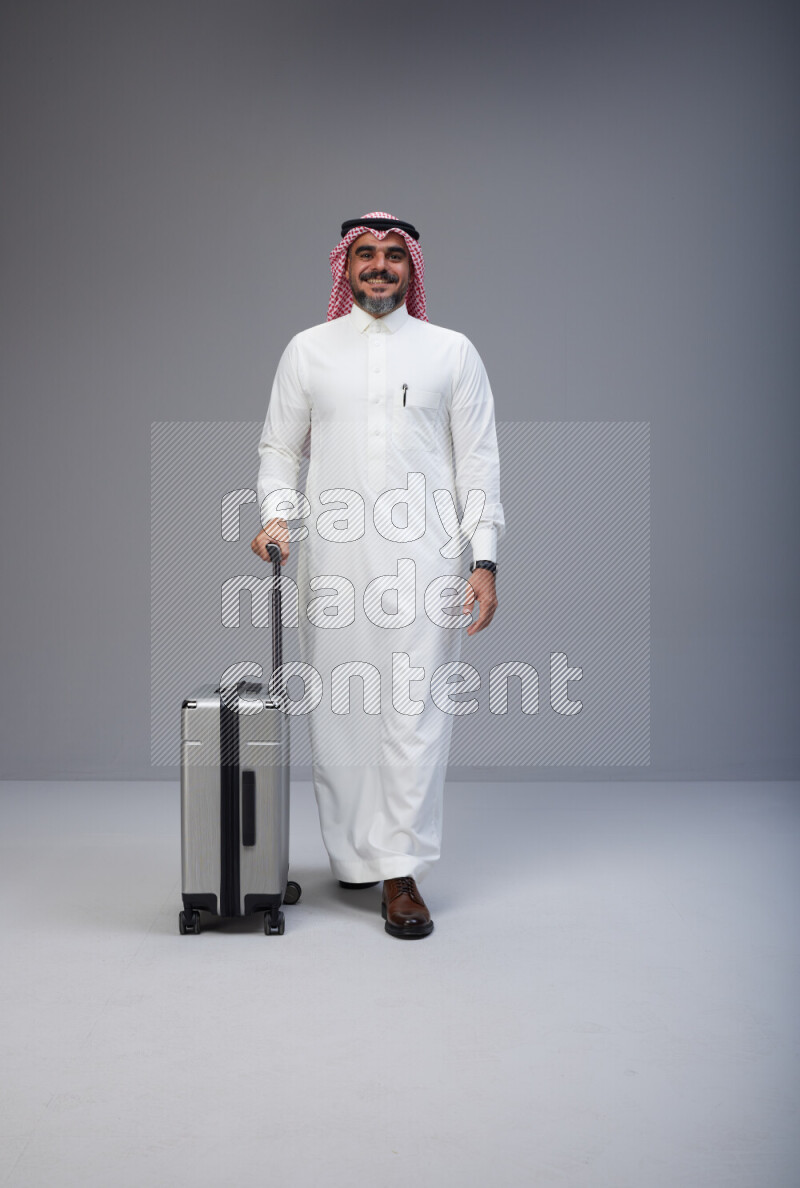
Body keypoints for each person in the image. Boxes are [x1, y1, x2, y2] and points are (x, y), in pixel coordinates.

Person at [251, 211, 504, 939]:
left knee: (414, 713)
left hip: (427, 560)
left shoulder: (451, 352)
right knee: (341, 713)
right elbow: (279, 449)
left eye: (394, 255)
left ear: (412, 267)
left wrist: (484, 558)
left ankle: (401, 871)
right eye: (366, 254)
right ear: (346, 265)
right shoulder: (309, 349)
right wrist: (276, 517)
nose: (380, 266)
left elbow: (478, 462)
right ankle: (357, 857)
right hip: (332, 561)